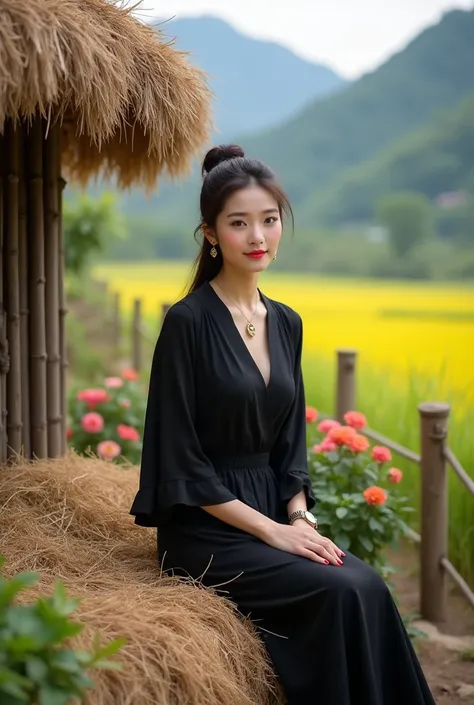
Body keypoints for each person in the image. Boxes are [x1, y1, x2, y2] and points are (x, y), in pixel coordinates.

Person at [130, 144, 435, 705]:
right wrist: (273, 532)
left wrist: (299, 517)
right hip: (206, 527)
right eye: (239, 223)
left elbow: (290, 445)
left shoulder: (287, 322)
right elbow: (181, 462)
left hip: (276, 511)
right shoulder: (187, 323)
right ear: (211, 234)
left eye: (269, 220)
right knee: (342, 593)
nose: (258, 237)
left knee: (367, 585)